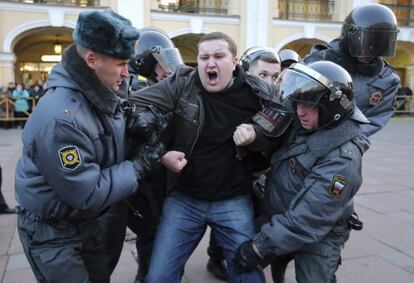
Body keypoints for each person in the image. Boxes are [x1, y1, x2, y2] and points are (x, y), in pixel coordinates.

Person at [14, 9, 162, 283]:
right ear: (91, 59)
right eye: (120, 63)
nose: (127, 72)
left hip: (87, 223)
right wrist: (138, 167)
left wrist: (133, 131)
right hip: (54, 235)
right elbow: (86, 191)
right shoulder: (61, 118)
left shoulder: (103, 91)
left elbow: (101, 141)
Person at [129, 31, 282, 283]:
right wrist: (161, 154)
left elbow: (284, 127)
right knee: (158, 277)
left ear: (233, 62)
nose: (210, 63)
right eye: (204, 57)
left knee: (249, 277)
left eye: (219, 56)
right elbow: (133, 104)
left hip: (233, 200)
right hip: (185, 200)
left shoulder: (259, 92)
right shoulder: (182, 83)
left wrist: (258, 134)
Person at [232, 61, 371, 282]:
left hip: (320, 231)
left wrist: (260, 247)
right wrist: (253, 134)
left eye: (310, 106)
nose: (300, 112)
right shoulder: (303, 121)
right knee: (234, 250)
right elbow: (268, 128)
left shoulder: (343, 159)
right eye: (298, 103)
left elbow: (311, 215)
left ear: (332, 108)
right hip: (281, 214)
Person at [303, 3, 400, 137]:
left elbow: (375, 119)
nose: (369, 53)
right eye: (366, 43)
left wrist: (344, 139)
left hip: (347, 143)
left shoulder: (387, 79)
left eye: (378, 45)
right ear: (350, 36)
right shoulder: (317, 61)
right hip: (302, 133)